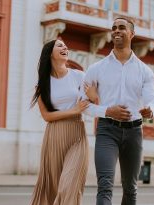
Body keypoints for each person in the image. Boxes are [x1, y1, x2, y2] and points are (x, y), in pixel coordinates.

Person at [82, 17, 154, 205]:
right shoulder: (96, 68)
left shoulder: (145, 71)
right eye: (114, 28)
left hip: (134, 132)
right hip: (107, 131)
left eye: (122, 28)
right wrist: (107, 111)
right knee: (105, 185)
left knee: (131, 188)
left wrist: (150, 110)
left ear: (132, 34)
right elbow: (83, 105)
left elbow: (153, 101)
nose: (116, 31)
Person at [29, 39, 95, 205]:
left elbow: (94, 100)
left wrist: (94, 96)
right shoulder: (42, 85)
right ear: (50, 53)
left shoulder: (79, 76)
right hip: (54, 136)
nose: (65, 47)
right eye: (60, 45)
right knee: (52, 188)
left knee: (69, 186)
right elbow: (47, 116)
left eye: (66, 45)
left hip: (77, 136)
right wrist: (74, 110)